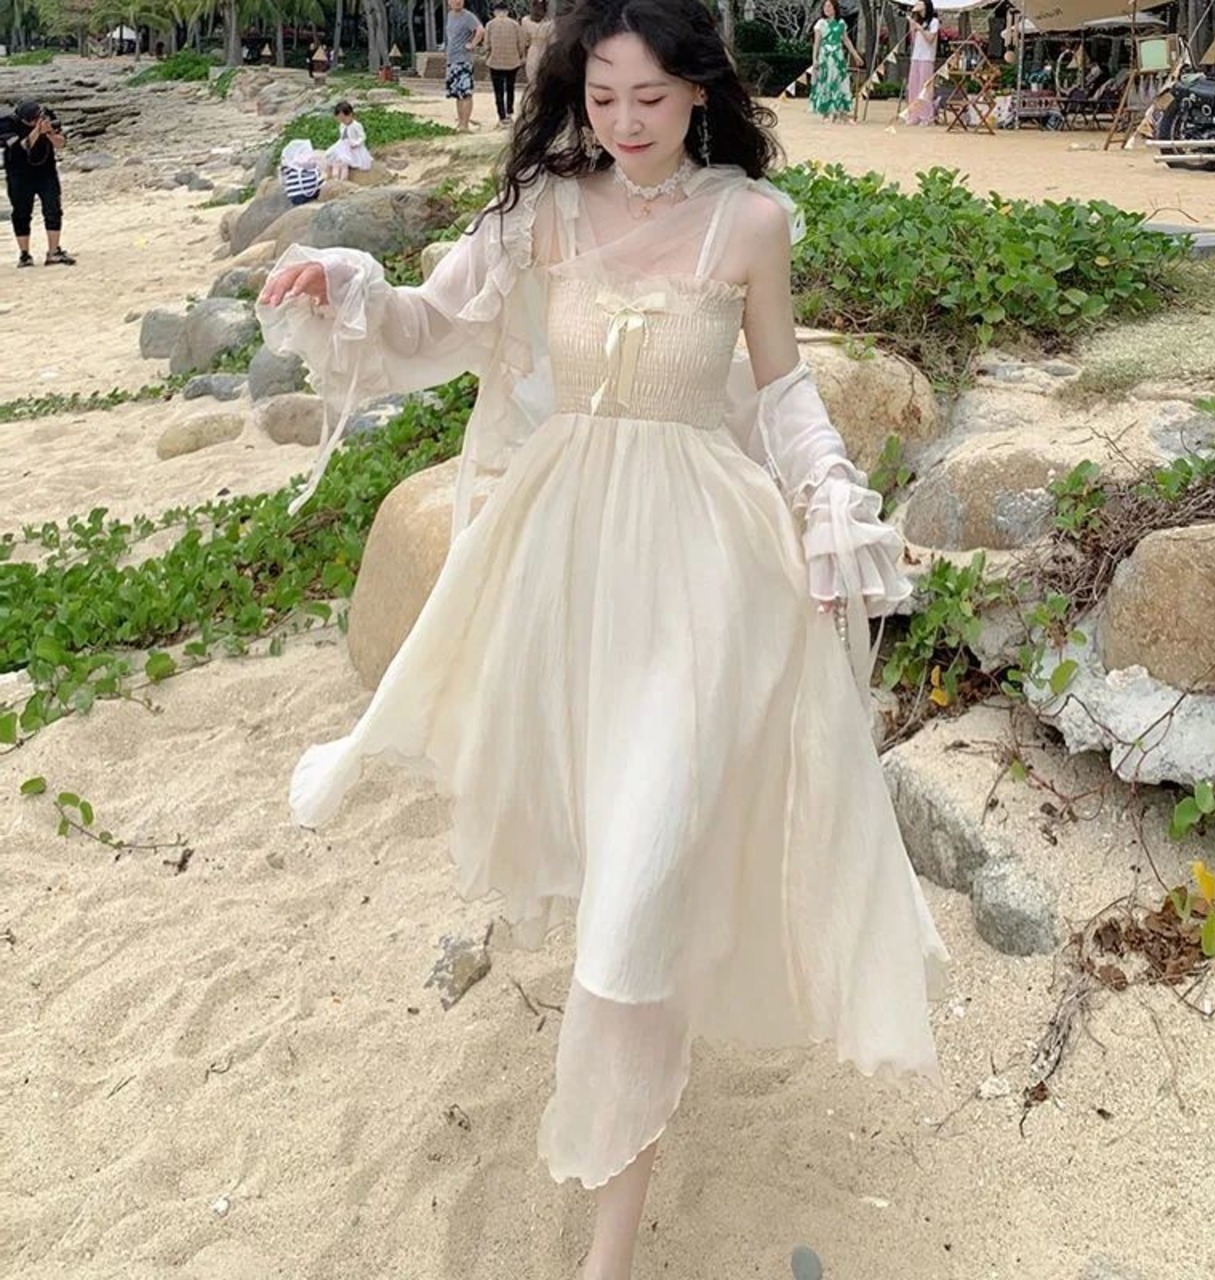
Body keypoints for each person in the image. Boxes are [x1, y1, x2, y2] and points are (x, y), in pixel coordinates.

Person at [257, 1, 946, 1276]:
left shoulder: (749, 222)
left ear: (700, 92)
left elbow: (785, 393)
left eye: (650, 97)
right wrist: (340, 283)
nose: (624, 123)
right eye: (601, 97)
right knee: (615, 861)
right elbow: (431, 325)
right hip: (564, 574)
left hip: (705, 577)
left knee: (635, 892)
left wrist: (831, 501)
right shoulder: (544, 212)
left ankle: (606, 1254)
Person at [1, 101, 74, 267]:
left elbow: (62, 144)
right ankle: (24, 254)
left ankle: (53, 252)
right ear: (23, 120)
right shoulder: (8, 124)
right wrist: (37, 131)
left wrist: (49, 134)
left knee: (53, 210)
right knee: (21, 213)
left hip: (46, 172)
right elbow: (21, 148)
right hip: (19, 174)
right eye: (33, 121)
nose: (36, 122)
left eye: (38, 118)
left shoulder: (48, 117)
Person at [809, 0, 862, 124]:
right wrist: (814, 59)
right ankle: (826, 112)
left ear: (835, 8)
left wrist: (855, 55)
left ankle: (841, 112)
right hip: (825, 56)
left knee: (840, 81)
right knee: (826, 81)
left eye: (829, 6)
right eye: (825, 6)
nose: (827, 9)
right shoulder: (820, 23)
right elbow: (816, 43)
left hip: (838, 56)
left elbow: (846, 40)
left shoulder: (841, 23)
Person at [484, 0, 527, 127]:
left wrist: (488, 55)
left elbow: (487, 44)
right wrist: (521, 56)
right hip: (512, 61)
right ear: (507, 12)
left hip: (495, 61)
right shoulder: (515, 24)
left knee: (498, 91)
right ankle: (509, 112)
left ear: (495, 12)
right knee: (510, 87)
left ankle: (501, 116)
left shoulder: (490, 25)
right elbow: (521, 42)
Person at [444, 0, 485, 133]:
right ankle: (461, 122)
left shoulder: (468, 16)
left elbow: (480, 30)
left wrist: (472, 44)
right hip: (452, 60)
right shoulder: (450, 15)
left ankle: (465, 124)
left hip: (463, 60)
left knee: (466, 93)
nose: (458, 2)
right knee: (457, 94)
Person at [906, 0, 941, 125]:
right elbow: (914, 41)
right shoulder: (919, 21)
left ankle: (926, 116)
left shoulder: (934, 22)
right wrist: (913, 27)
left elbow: (930, 39)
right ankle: (914, 115)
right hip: (916, 57)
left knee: (924, 87)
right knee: (913, 86)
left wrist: (920, 28)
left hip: (927, 58)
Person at [324, 101, 372, 181]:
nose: (342, 121)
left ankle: (343, 179)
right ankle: (332, 176)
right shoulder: (342, 125)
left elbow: (363, 136)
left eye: (344, 119)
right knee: (332, 158)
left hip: (354, 148)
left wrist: (356, 143)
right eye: (340, 119)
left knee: (344, 162)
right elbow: (342, 137)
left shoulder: (356, 125)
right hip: (344, 146)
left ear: (350, 114)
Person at [280, 139, 324, 205]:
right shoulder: (312, 162)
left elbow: (283, 181)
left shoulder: (288, 167)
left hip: (296, 194)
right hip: (316, 189)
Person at [521, 0, 554, 86]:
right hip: (542, 50)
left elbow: (524, 40)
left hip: (535, 50)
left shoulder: (525, 21)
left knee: (533, 75)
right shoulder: (550, 23)